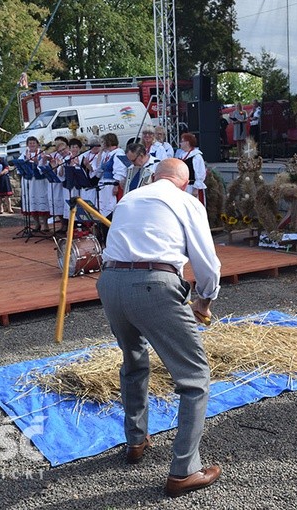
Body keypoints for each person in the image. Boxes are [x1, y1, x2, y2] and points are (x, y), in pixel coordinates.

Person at [96, 158, 222, 497]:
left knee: (134, 360)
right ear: (184, 182)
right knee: (194, 379)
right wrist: (205, 300)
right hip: (154, 284)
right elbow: (207, 263)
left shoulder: (129, 198)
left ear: (154, 177)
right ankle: (184, 471)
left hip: (109, 282)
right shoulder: (186, 201)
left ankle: (136, 440)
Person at [176, 132, 207, 206]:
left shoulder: (196, 156)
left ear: (187, 143)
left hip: (192, 187)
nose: (180, 143)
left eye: (182, 141)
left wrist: (196, 188)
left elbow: (200, 173)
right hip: (184, 187)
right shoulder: (182, 155)